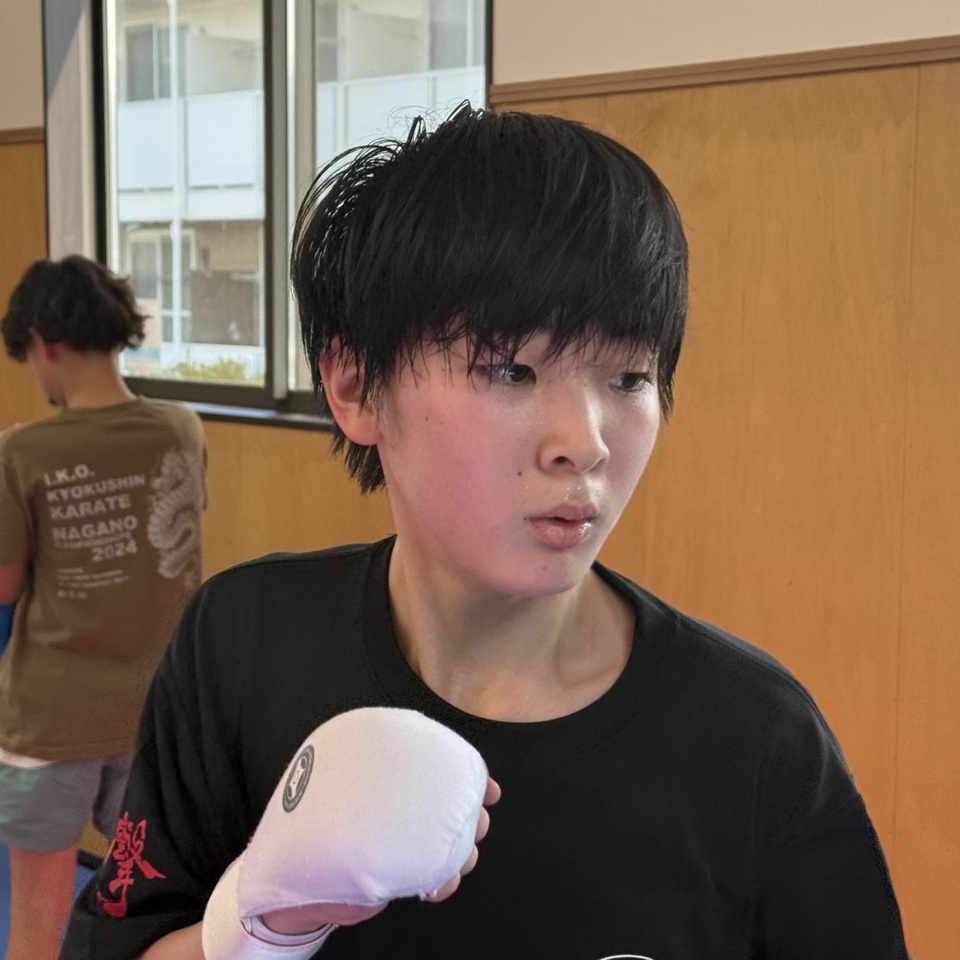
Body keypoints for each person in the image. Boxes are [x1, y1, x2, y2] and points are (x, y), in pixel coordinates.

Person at [62, 105, 908, 960]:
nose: (585, 441)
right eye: (511, 368)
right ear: (356, 386)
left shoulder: (757, 740)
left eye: (628, 376)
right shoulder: (245, 643)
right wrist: (267, 917)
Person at [0, 255, 207, 960]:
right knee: (150, 908)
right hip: (156, 714)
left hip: (51, 719)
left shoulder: (21, 451)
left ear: (45, 341)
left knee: (38, 920)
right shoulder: (181, 429)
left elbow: (4, 585)